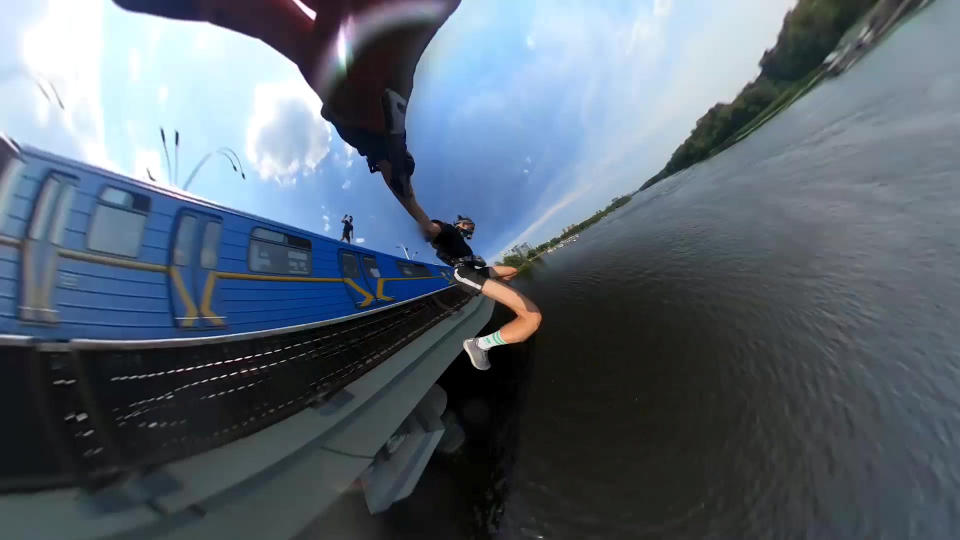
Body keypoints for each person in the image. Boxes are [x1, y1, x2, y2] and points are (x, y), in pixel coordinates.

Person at [112, 0, 459, 225]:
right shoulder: (385, 135)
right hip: (367, 107)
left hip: (368, 106)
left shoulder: (385, 138)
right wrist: (419, 216)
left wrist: (420, 217)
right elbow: (398, 177)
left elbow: (398, 176)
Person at [422, 215, 541, 370]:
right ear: (461, 224)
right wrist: (410, 201)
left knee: (511, 271)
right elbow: (430, 228)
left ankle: (496, 291)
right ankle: (479, 344)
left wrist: (474, 258)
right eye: (471, 227)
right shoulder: (448, 230)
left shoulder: (458, 241)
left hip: (475, 270)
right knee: (533, 318)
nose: (472, 231)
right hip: (465, 273)